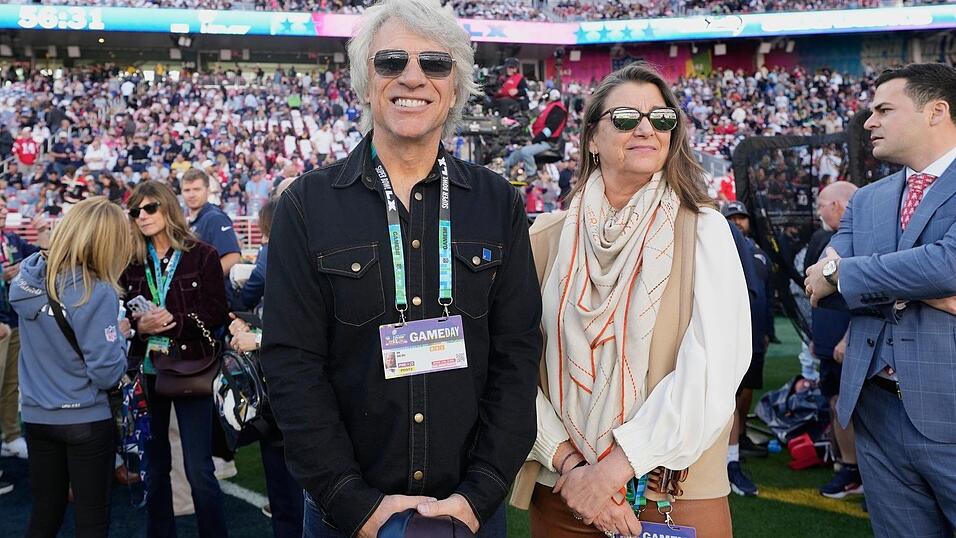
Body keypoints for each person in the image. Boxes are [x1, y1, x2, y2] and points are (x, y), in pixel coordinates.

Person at [261, 1, 543, 536]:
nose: (412, 77)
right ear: (365, 83)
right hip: (347, 519)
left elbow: (518, 356)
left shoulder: (497, 203)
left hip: (470, 514)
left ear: (454, 89)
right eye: (391, 61)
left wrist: (480, 492)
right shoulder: (306, 205)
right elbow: (292, 366)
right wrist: (350, 501)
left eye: (435, 63)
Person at [511, 62, 751, 538]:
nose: (646, 129)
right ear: (591, 138)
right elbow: (511, 368)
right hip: (564, 492)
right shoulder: (544, 238)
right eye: (625, 118)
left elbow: (714, 369)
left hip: (672, 495)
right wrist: (572, 467)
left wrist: (611, 472)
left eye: (661, 119)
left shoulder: (704, 230)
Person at [805, 63, 956, 536]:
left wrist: (846, 274)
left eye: (884, 110)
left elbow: (948, 264)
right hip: (875, 410)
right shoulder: (867, 199)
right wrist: (920, 288)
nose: (869, 121)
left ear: (936, 111)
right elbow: (819, 287)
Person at [10, 197, 132, 537]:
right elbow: (106, 373)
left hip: (36, 415)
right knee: (92, 519)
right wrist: (119, 338)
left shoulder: (27, 278)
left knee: (45, 513)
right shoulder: (96, 290)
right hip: (85, 417)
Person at [122, 181, 230, 538]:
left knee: (199, 469)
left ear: (168, 208)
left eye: (149, 208)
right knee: (154, 468)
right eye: (135, 211)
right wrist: (139, 326)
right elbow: (123, 316)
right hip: (148, 372)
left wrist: (173, 321)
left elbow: (217, 313)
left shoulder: (203, 254)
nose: (142, 216)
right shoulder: (131, 262)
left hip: (191, 369)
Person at [805, 181, 862, 499]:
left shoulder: (863, 239)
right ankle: (845, 464)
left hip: (850, 345)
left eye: (821, 205)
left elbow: (871, 297)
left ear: (837, 206)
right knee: (834, 401)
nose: (819, 212)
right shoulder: (826, 240)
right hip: (829, 344)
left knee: (849, 405)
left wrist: (847, 339)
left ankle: (854, 471)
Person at [720, 200, 774, 498]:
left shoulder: (759, 254)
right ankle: (728, 461)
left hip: (752, 334)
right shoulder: (718, 243)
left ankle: (733, 453)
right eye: (733, 218)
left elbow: (765, 295)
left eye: (742, 217)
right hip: (724, 336)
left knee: (742, 392)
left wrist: (767, 331)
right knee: (726, 398)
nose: (738, 222)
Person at [0, 196, 50, 462]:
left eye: (3, 205)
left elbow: (42, 255)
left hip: (13, 319)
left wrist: (42, 231)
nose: (2, 209)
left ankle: (10, 435)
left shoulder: (10, 239)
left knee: (10, 383)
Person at [504, 89, 568, 181]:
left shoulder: (558, 110)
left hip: (549, 143)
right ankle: (505, 171)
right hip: (541, 140)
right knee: (516, 153)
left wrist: (533, 141)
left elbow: (549, 130)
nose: (545, 100)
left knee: (526, 152)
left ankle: (532, 174)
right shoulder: (549, 108)